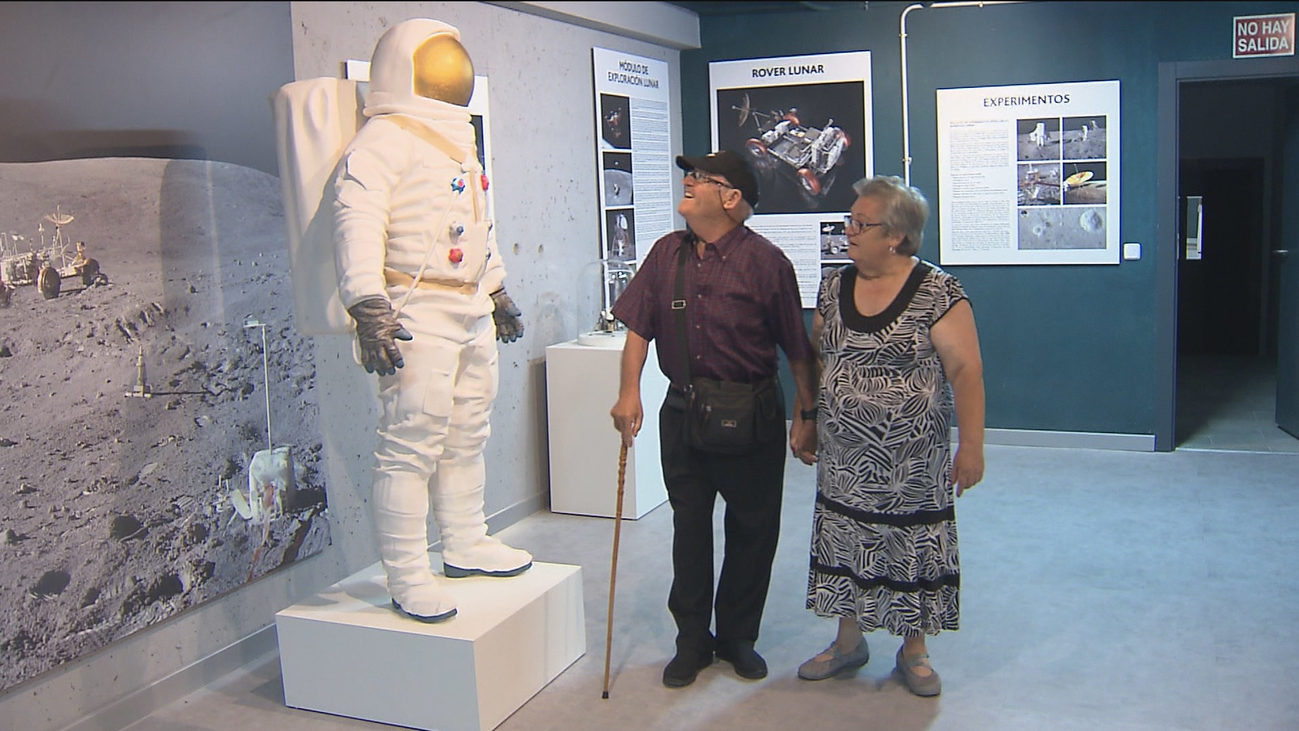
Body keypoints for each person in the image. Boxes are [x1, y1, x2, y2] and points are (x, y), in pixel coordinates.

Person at [331, 19, 530, 623]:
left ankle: (465, 541)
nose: (451, 78)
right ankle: (408, 573)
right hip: (413, 310)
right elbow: (356, 223)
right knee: (410, 444)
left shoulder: (456, 140)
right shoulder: (383, 140)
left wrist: (494, 290)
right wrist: (368, 306)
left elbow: (475, 223)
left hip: (464, 306)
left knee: (468, 432)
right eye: (438, 66)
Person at [610, 150, 818, 688]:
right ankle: (691, 642)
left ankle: (737, 639)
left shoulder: (768, 263)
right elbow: (638, 327)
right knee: (689, 531)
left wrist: (807, 413)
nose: (689, 183)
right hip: (683, 413)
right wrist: (628, 392)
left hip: (752, 415)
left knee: (752, 531)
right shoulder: (665, 254)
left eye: (701, 178)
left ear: (732, 199)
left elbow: (797, 349)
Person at [791, 175, 984, 696]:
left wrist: (972, 446)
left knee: (911, 542)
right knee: (846, 539)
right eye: (849, 221)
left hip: (913, 463)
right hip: (845, 460)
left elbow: (966, 370)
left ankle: (914, 647)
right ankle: (849, 641)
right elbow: (815, 356)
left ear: (896, 235)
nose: (848, 230)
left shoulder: (938, 291)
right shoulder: (833, 286)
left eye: (860, 223)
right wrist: (805, 416)